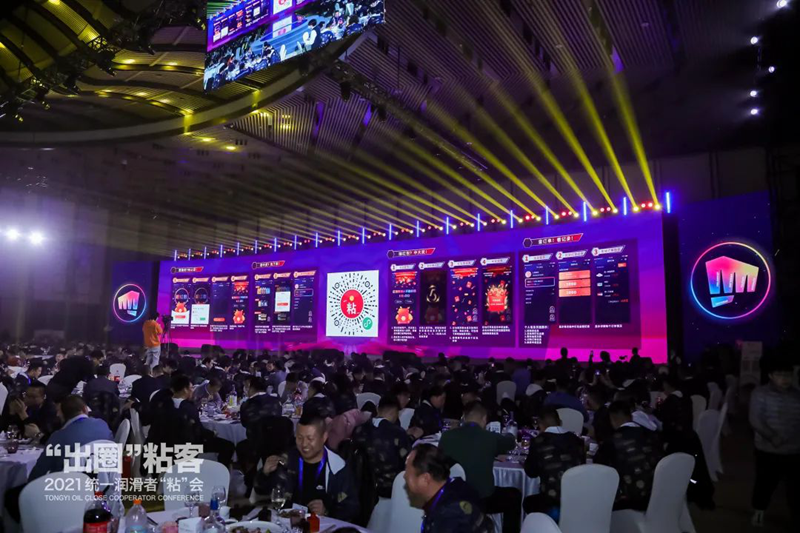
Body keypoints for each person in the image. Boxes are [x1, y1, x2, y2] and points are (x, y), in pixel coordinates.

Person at [254, 413, 360, 522]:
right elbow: (264, 492)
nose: (304, 444)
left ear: (324, 437)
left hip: (322, 525)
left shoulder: (337, 467)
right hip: (288, 523)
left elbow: (351, 508)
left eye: (310, 438)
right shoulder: (288, 460)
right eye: (300, 438)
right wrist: (264, 474)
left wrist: (327, 511)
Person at [439, 401, 520, 533]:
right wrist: (511, 434)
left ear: (464, 417)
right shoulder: (490, 437)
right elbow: (510, 443)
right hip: (481, 498)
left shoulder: (446, 436)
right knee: (514, 496)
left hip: (452, 496)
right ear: (484, 419)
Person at [748, 357, 800, 527]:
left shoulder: (797, 395)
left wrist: (786, 437)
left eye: (788, 375)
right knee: (764, 483)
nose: (785, 379)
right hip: (767, 448)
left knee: (794, 487)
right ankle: (759, 510)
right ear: (771, 375)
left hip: (793, 449)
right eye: (780, 375)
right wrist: (772, 436)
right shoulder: (760, 393)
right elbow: (755, 419)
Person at [147, 375, 235, 468]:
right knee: (228, 446)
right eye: (191, 388)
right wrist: (212, 433)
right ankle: (221, 472)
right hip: (187, 446)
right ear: (185, 390)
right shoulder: (188, 408)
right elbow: (198, 431)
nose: (193, 390)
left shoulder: (163, 403)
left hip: (162, 446)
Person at [404, 444, 493, 533]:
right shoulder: (456, 489)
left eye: (407, 471)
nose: (405, 476)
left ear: (425, 479)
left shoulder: (450, 516)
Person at [594, 401, 662, 511]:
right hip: (658, 492)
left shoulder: (612, 442)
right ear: (631, 416)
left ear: (612, 419)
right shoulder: (652, 434)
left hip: (632, 501)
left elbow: (598, 465)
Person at [28, 395, 113, 479]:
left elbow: (39, 472)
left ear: (61, 415)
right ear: (85, 409)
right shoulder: (103, 425)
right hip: (104, 481)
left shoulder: (58, 437)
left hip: (67, 484)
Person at [523, 406, 585, 516]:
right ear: (560, 422)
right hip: (576, 498)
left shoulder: (539, 441)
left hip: (551, 499)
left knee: (528, 503)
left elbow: (531, 472)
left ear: (540, 424)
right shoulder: (577, 441)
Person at [351, 395, 410, 498]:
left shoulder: (359, 430)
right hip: (389, 490)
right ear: (395, 412)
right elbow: (407, 461)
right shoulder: (398, 433)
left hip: (361, 488)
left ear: (378, 409)